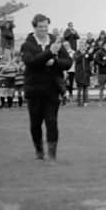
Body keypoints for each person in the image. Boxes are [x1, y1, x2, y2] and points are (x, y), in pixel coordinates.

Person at [20, 14, 72, 162]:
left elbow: (68, 62)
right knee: (35, 123)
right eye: (40, 27)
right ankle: (39, 151)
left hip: (52, 89)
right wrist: (50, 52)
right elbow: (31, 62)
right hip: (34, 89)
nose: (43, 29)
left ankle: (52, 155)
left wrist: (54, 62)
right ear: (34, 27)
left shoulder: (55, 42)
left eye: (45, 26)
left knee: (52, 121)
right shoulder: (27, 45)